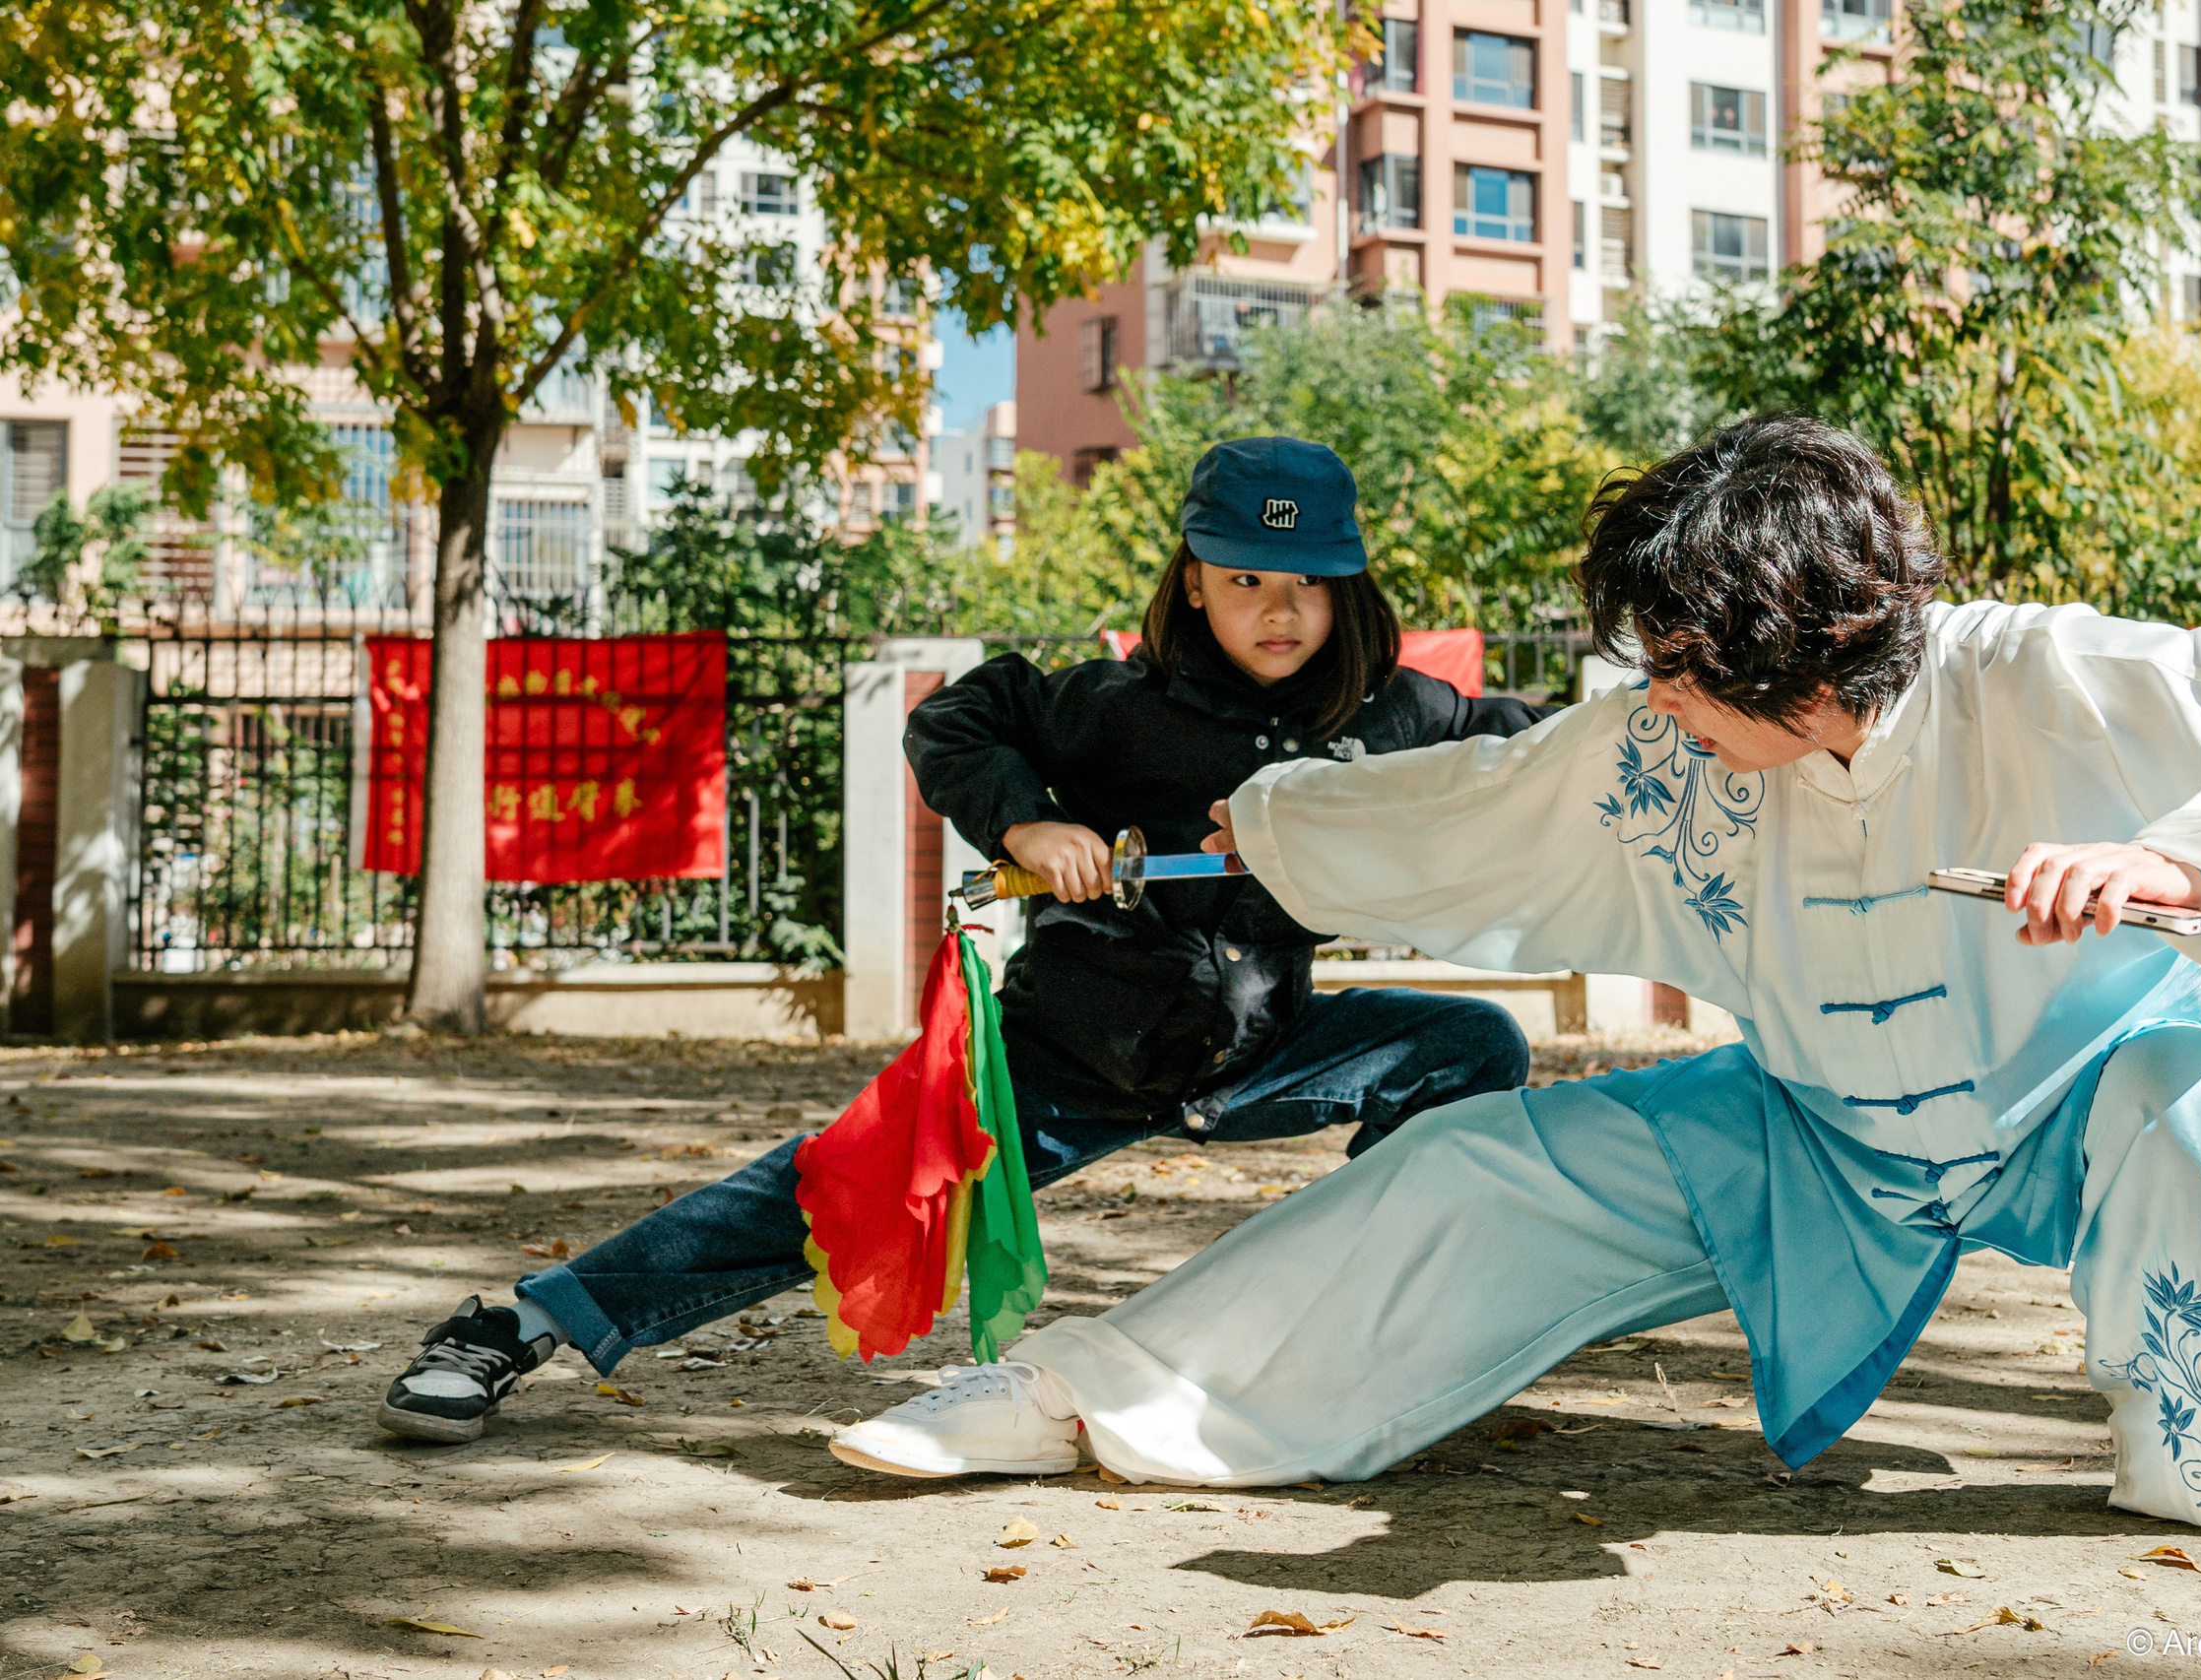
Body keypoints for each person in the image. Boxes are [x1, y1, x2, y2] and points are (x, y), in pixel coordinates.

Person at [826, 414, 2201, 1549]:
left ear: (1807, 653)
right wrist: (1260, 821)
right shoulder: (1660, 742)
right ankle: (1079, 1397)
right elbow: (1474, 800)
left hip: (2076, 1100)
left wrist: (2183, 865)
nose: (1652, 699)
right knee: (1474, 1164)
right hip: (1810, 1131)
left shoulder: (2051, 676)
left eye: (1681, 669)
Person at [375, 436, 1547, 1445]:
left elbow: (1526, 748)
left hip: (1271, 1050)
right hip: (1058, 1067)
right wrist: (1030, 818)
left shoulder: (1392, 717)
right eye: (1245, 579)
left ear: (1349, 589)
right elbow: (957, 715)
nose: (1278, 611)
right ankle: (518, 1322)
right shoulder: (1107, 707)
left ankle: (1374, 1328)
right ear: (1193, 583)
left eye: (1308, 583)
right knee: (823, 1191)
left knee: (1468, 1042)